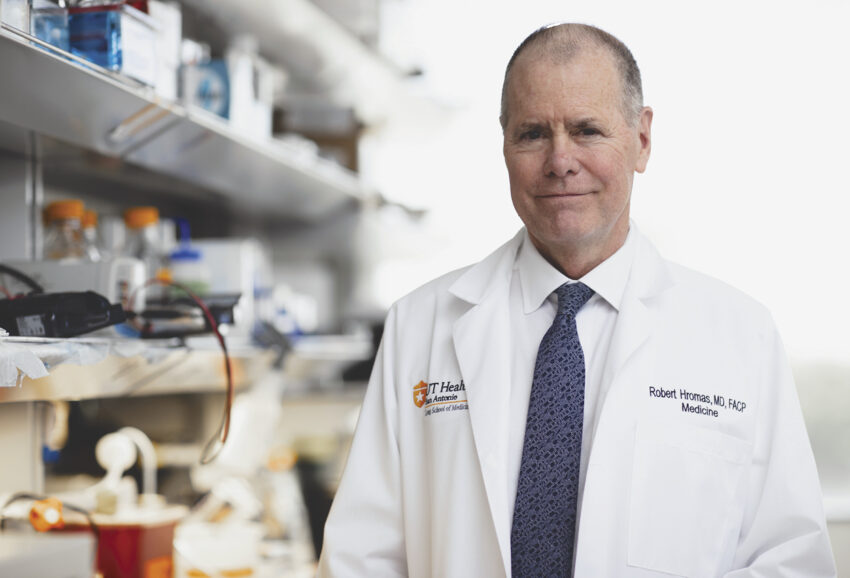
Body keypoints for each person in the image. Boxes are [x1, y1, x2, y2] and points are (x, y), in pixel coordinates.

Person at [317, 23, 836, 577]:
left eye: (587, 130)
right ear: (504, 142)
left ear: (641, 140)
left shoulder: (740, 336)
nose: (560, 160)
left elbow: (791, 562)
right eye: (533, 133)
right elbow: (359, 559)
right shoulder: (419, 326)